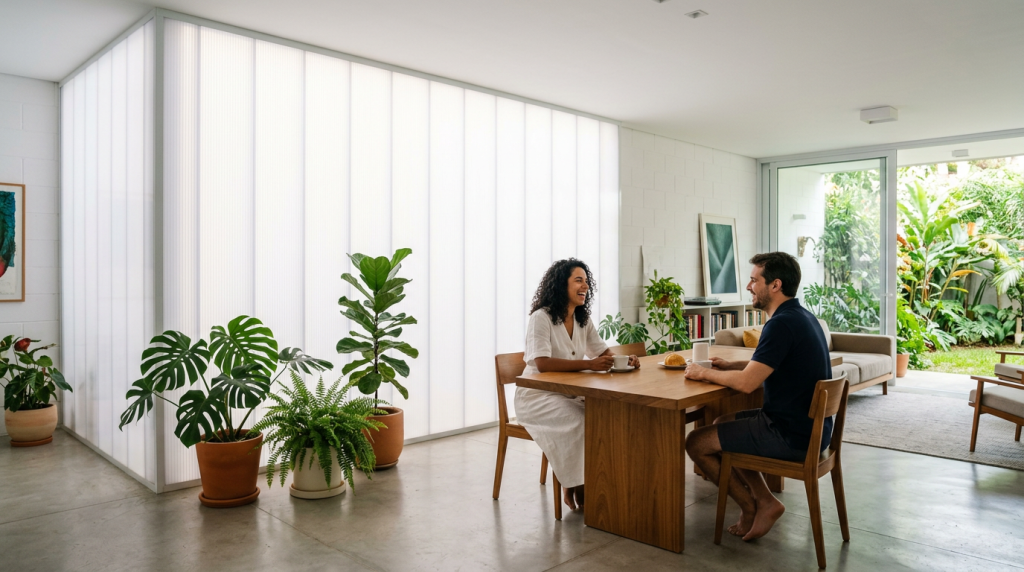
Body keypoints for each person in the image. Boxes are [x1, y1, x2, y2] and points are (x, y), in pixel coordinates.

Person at [683, 252, 832, 541]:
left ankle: (752, 505)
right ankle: (766, 501)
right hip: (812, 430)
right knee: (723, 421)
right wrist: (733, 364)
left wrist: (703, 373)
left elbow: (747, 384)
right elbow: (769, 364)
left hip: (790, 436)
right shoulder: (801, 316)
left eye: (754, 280)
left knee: (697, 441)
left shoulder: (780, 324)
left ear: (775, 285)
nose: (749, 286)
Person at [515, 258, 641, 511]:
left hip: (569, 393)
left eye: (586, 281)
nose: (585, 286)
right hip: (537, 395)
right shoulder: (542, 318)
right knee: (581, 421)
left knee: (605, 416)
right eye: (578, 280)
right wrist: (588, 365)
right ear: (562, 285)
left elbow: (602, 353)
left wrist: (625, 359)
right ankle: (578, 486)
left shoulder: (583, 319)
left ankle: (593, 482)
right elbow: (541, 363)